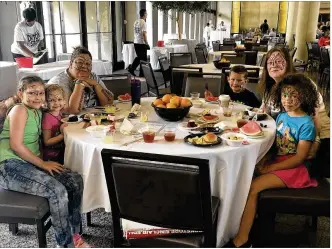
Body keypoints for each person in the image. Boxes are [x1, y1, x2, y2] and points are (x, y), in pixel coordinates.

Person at [224, 74, 319, 248]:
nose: (288, 99)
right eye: (284, 95)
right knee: (243, 177)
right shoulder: (282, 116)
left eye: (294, 95)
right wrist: (265, 160)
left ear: (304, 95)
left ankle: (242, 239)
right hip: (279, 161)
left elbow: (299, 158)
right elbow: (276, 146)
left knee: (253, 187)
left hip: (295, 169)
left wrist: (271, 167)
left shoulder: (307, 124)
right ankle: (240, 223)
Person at [0, 76, 90, 248]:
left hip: (29, 163)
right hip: (9, 166)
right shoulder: (19, 110)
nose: (38, 97)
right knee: (56, 190)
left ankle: (74, 234)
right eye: (32, 92)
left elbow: (63, 108)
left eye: (41, 93)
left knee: (75, 180)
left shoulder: (37, 111)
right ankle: (65, 245)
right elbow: (16, 145)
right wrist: (43, 164)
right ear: (21, 93)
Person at [259, 46, 330, 160]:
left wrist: (315, 142)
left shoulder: (302, 84)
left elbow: (314, 118)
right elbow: (264, 111)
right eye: (270, 62)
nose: (274, 65)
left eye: (279, 61)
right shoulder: (270, 87)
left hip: (317, 136)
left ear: (288, 63)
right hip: (287, 139)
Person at [47, 46, 113, 114]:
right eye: (80, 62)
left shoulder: (93, 77)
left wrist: (96, 85)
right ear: (70, 64)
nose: (84, 66)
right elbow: (73, 111)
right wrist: (80, 84)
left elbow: (108, 103)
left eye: (88, 64)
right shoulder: (58, 83)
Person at [42, 84, 67, 164]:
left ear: (64, 100)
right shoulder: (47, 118)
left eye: (59, 99)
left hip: (61, 151)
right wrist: (63, 135)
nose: (56, 103)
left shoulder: (60, 114)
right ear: (45, 102)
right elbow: (47, 142)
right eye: (52, 100)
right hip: (52, 156)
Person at [128, 9, 149, 77]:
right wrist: (146, 43)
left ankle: (132, 69)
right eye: (146, 14)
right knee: (143, 59)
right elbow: (144, 34)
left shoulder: (136, 22)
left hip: (136, 42)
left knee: (140, 57)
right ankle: (140, 74)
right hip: (141, 43)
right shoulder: (143, 22)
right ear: (144, 14)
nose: (147, 15)